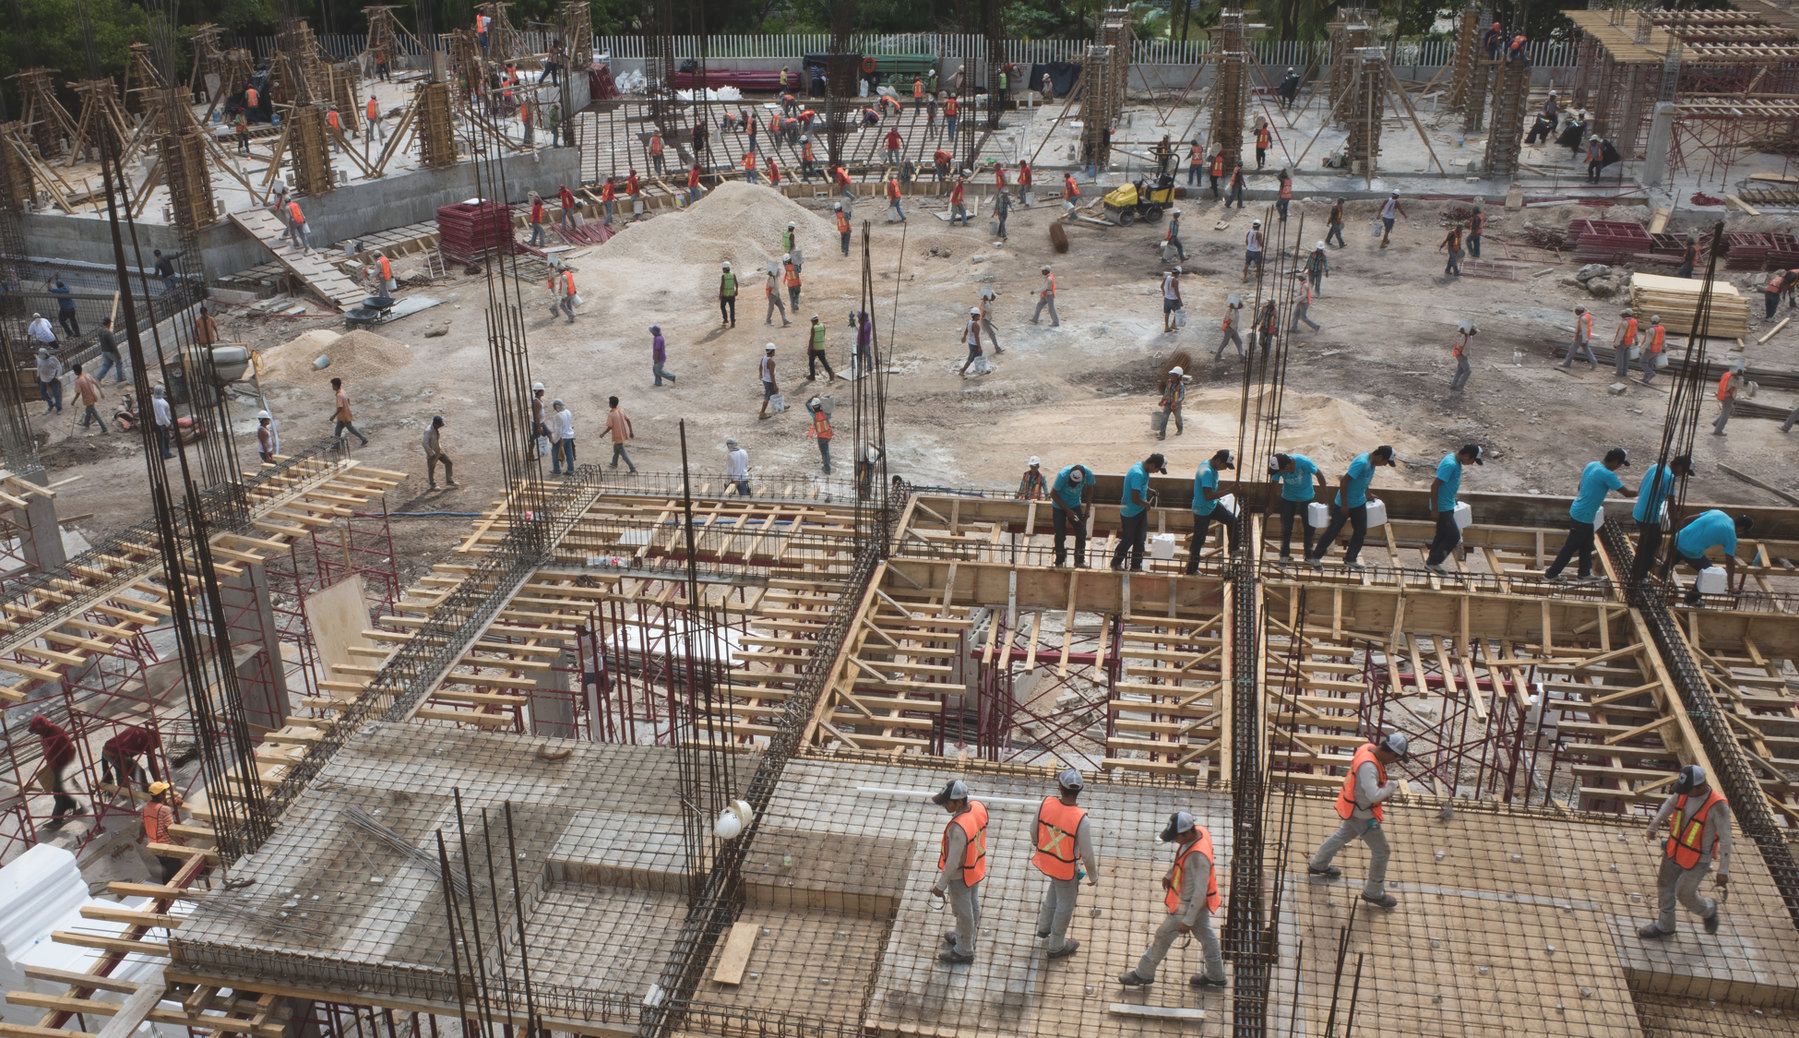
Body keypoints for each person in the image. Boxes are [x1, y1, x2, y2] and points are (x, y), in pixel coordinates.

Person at [1118, 810, 1226, 988]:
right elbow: (1182, 856)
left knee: (1163, 935)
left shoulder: (1199, 856)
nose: (1175, 841)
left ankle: (1143, 973)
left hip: (1189, 905)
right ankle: (1216, 975)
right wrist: (1170, 873)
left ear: (1187, 833)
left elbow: (1200, 891)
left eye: (1176, 837)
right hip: (1193, 903)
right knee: (1207, 937)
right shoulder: (1198, 832)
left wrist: (1188, 920)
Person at [1308, 731, 1408, 909]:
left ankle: (1318, 864)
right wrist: (1391, 787)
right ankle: (1373, 893)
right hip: (1363, 814)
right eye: (1396, 758)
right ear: (1391, 753)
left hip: (1353, 807)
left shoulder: (1367, 748)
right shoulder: (1368, 766)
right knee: (1382, 851)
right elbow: (1374, 795)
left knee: (1342, 835)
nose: (1394, 762)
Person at [1638, 765, 1731, 940]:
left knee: (1684, 894)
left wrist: (1723, 870)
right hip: (1674, 849)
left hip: (1699, 858)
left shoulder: (1717, 806)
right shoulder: (1685, 791)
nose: (1683, 793)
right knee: (1665, 887)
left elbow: (1726, 839)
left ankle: (1709, 909)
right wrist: (1654, 825)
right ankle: (1665, 927)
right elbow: (1669, 804)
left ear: (1700, 786)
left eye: (1688, 790)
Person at [1029, 768, 1099, 961]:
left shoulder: (1046, 803)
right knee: (1065, 905)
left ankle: (1044, 928)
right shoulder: (1081, 819)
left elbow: (1032, 830)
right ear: (1080, 789)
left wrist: (1039, 845)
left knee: (1053, 893)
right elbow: (1087, 853)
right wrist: (1093, 875)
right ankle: (1056, 945)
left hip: (1047, 861)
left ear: (1060, 787)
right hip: (1066, 869)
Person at [1543, 448, 1632, 582]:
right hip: (1583, 517)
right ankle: (1550, 575)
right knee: (1570, 547)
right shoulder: (1608, 475)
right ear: (1614, 461)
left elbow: (1580, 486)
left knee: (1587, 544)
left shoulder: (1592, 464)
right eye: (1619, 464)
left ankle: (1584, 574)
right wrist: (1645, 492)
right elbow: (1627, 493)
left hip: (1580, 511)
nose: (1619, 467)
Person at [1306, 445, 1398, 571]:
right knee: (1333, 531)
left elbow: (1363, 481)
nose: (1385, 465)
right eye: (1386, 462)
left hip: (1359, 502)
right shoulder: (1362, 463)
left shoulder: (1372, 464)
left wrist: (1368, 495)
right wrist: (1344, 504)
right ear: (1380, 457)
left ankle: (1351, 559)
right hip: (1343, 504)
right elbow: (1344, 481)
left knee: (1361, 531)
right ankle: (1315, 557)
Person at [929, 779, 987, 965]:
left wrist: (940, 886)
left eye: (948, 802)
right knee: (972, 904)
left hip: (961, 875)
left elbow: (952, 862)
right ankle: (964, 937)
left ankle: (964, 951)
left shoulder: (957, 828)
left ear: (959, 802)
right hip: (975, 867)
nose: (946, 805)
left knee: (964, 913)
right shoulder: (977, 808)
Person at [1424, 444, 1484, 571]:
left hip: (1448, 504)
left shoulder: (1456, 461)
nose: (1472, 463)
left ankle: (1431, 562)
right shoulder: (1450, 464)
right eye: (1472, 460)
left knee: (1441, 534)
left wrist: (1451, 497)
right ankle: (1433, 562)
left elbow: (1447, 484)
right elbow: (1434, 486)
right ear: (1467, 455)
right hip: (1442, 507)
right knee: (1453, 536)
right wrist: (1435, 509)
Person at [1672, 510, 1751, 605]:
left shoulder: (1718, 512)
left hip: (1676, 539)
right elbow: (1730, 563)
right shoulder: (1731, 535)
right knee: (1709, 572)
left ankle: (1662, 573)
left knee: (1671, 561)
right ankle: (1692, 599)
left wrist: (1682, 535)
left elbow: (1687, 519)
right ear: (1741, 528)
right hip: (1690, 551)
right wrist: (1731, 587)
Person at [1630, 454, 1689, 581]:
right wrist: (1674, 525)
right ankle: (1640, 577)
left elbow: (1640, 488)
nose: (1682, 475)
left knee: (1645, 543)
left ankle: (1636, 570)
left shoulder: (1656, 466)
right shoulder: (1669, 477)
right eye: (1683, 471)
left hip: (1638, 512)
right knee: (1654, 542)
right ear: (1678, 466)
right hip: (1648, 516)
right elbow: (1671, 504)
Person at [1111, 453, 1166, 572]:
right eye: (1157, 469)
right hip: (1130, 513)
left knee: (1140, 539)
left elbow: (1141, 486)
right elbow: (1135, 498)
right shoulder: (1138, 473)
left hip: (1139, 511)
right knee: (1128, 539)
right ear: (1152, 465)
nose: (1156, 472)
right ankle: (1115, 563)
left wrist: (1150, 490)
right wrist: (1146, 504)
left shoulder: (1143, 469)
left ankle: (1136, 566)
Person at [1268, 453, 1326, 563]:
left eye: (1280, 471)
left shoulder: (1304, 462)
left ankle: (1309, 555)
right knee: (1286, 527)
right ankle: (1284, 555)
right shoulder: (1279, 467)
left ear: (1287, 466)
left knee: (1309, 527)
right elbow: (1274, 487)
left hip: (1307, 497)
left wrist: (1324, 497)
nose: (1279, 473)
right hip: (1288, 498)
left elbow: (1319, 475)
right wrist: (1271, 507)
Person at [1186, 449, 1239, 571]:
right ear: (1218, 460)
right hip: (1202, 510)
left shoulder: (1211, 466)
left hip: (1212, 505)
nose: (1225, 468)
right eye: (1225, 465)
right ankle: (1191, 569)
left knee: (1232, 520)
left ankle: (1234, 549)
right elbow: (1208, 495)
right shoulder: (1207, 472)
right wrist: (1229, 490)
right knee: (1198, 541)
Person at [27, 716, 82, 822]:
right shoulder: (44, 734)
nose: (36, 734)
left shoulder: (56, 732)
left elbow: (71, 748)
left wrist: (68, 766)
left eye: (37, 731)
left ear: (42, 727)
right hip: (55, 766)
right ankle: (81, 805)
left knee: (58, 792)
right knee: (71, 785)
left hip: (63, 765)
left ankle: (57, 820)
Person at [1051, 463, 1092, 567]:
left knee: (1081, 532)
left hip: (1074, 506)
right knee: (1060, 534)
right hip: (1059, 507)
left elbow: (1091, 489)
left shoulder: (1089, 474)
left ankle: (1079, 561)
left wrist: (1087, 508)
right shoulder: (1062, 475)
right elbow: (1053, 494)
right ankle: (1059, 561)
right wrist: (1067, 510)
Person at [143, 781, 184, 881]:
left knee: (166, 868)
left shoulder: (146, 808)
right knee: (177, 871)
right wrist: (181, 844)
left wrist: (140, 838)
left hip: (154, 845)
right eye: (165, 793)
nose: (166, 794)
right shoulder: (164, 810)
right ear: (161, 795)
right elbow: (170, 830)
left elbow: (143, 824)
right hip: (166, 846)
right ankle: (172, 891)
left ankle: (166, 889)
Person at [100, 724, 160, 790]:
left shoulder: (139, 728)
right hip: (116, 754)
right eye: (155, 747)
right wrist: (159, 784)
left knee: (121, 769)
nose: (153, 749)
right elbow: (152, 765)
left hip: (106, 751)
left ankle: (123, 793)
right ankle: (146, 792)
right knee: (139, 772)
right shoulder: (150, 739)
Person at [330, 377, 369, 447]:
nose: (332, 387)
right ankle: (336, 445)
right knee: (339, 431)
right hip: (346, 414)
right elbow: (348, 399)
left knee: (347, 430)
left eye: (332, 385)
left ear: (335, 385)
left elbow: (340, 407)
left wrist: (333, 416)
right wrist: (347, 407)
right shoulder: (342, 391)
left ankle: (363, 439)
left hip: (343, 417)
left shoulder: (339, 395)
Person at [422, 415, 456, 489]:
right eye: (439, 425)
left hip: (438, 451)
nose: (440, 426)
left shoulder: (435, 428)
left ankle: (449, 481)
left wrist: (439, 448)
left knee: (449, 462)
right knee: (431, 469)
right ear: (435, 424)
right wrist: (431, 454)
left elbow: (435, 440)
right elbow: (424, 443)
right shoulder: (428, 431)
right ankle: (432, 485)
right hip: (432, 454)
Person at [1156, 364, 1187, 439]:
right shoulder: (1169, 382)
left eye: (1173, 375)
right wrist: (1162, 400)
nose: (1171, 377)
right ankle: (1162, 434)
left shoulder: (1181, 385)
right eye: (1171, 375)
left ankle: (1180, 429)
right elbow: (1166, 392)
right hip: (1168, 403)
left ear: (1178, 377)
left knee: (1178, 418)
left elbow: (1182, 396)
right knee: (1164, 418)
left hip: (1176, 405)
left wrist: (1176, 402)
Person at [73, 363, 105, 435]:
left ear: (75, 372)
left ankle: (104, 429)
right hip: (93, 396)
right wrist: (101, 392)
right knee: (88, 411)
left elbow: (78, 393)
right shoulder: (88, 375)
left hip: (88, 399)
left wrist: (73, 401)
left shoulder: (78, 381)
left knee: (95, 414)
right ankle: (86, 424)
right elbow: (96, 383)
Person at [1713, 362, 1743, 435]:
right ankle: (1718, 431)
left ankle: (1716, 423)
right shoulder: (1733, 378)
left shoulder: (1726, 374)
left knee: (1725, 411)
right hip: (1727, 397)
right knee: (1725, 415)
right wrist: (1740, 378)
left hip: (1722, 394)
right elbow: (1740, 386)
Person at [805, 315, 837, 382]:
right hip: (821, 346)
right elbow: (823, 335)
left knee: (811, 362)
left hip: (814, 347)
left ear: (813, 321)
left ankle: (812, 376)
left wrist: (809, 348)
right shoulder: (823, 326)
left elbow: (811, 339)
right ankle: (831, 372)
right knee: (824, 361)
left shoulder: (813, 328)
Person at [549, 398, 576, 475]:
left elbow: (558, 431)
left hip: (562, 438)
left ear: (557, 407)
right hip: (569, 436)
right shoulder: (568, 412)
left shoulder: (558, 416)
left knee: (555, 453)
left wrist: (554, 440)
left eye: (554, 406)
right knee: (569, 453)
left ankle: (556, 470)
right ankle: (570, 470)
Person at [806, 400, 833, 474]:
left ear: (813, 408)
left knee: (824, 453)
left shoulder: (815, 416)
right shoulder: (826, 413)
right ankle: (827, 462)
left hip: (821, 437)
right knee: (826, 450)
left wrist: (810, 434)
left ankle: (827, 469)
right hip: (828, 435)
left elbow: (807, 405)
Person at [1612, 308, 1641, 380]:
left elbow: (1620, 335)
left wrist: (1616, 343)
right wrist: (1636, 340)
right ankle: (1625, 372)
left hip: (1622, 342)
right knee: (1626, 358)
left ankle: (1619, 373)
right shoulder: (1634, 321)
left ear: (1626, 314)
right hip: (1629, 342)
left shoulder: (1624, 322)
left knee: (1620, 358)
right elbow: (1635, 332)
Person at [94, 318, 124, 383]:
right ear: (108, 323)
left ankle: (98, 378)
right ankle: (120, 378)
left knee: (107, 365)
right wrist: (118, 354)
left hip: (104, 351)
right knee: (119, 363)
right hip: (110, 351)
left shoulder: (99, 331)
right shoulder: (108, 333)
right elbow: (113, 345)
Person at [1216, 295, 1245, 361]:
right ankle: (1218, 355)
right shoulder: (1231, 311)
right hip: (1229, 329)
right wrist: (1228, 326)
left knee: (1239, 342)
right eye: (1239, 305)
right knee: (1225, 342)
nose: (1240, 306)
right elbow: (1230, 319)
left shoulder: (1235, 310)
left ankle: (1241, 356)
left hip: (1233, 329)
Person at [958, 307, 985, 378]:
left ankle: (980, 368)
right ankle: (962, 371)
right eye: (979, 315)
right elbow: (977, 337)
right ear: (976, 316)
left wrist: (964, 337)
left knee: (979, 356)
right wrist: (979, 347)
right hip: (974, 344)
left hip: (970, 343)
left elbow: (966, 331)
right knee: (971, 358)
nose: (980, 316)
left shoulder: (969, 322)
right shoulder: (975, 325)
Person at [35, 348, 63, 414]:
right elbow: (39, 367)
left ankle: (59, 408)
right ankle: (51, 404)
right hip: (43, 378)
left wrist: (57, 377)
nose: (41, 356)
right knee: (43, 393)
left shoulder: (52, 359)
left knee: (56, 393)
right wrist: (38, 376)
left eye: (42, 354)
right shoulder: (39, 359)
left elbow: (59, 367)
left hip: (52, 378)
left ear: (46, 353)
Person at [1450, 322, 1474, 393]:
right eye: (1474, 331)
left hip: (1462, 355)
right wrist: (1463, 333)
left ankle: (1453, 385)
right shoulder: (1464, 337)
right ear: (1469, 331)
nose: (1475, 332)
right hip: (1461, 355)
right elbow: (1459, 345)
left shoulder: (1469, 336)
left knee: (1460, 370)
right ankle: (1459, 386)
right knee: (1468, 370)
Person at [150, 385, 174, 459]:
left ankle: (163, 453)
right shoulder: (159, 402)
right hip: (163, 423)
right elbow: (162, 415)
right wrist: (168, 424)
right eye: (162, 390)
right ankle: (166, 454)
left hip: (160, 422)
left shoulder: (157, 399)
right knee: (166, 439)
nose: (163, 392)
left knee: (163, 438)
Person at [758, 343, 780, 420]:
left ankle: (780, 406)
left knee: (776, 393)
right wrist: (775, 385)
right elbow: (772, 375)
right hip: (769, 381)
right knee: (767, 397)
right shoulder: (771, 362)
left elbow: (760, 366)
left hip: (765, 380)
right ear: (773, 351)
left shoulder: (763, 358)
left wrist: (760, 374)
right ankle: (762, 413)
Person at [1161, 267, 1183, 334]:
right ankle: (1173, 324)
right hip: (1174, 300)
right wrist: (1180, 301)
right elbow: (1177, 292)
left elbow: (1161, 286)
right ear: (1178, 273)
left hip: (1167, 299)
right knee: (1178, 312)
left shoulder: (1167, 277)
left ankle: (1166, 327)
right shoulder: (1175, 280)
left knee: (1167, 313)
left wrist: (1164, 293)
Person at [718, 262, 738, 327]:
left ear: (725, 269)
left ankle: (725, 319)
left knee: (722, 306)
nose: (722, 270)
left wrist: (720, 294)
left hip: (725, 295)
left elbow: (722, 286)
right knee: (732, 308)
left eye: (723, 268)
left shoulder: (723, 276)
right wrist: (736, 291)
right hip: (732, 294)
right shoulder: (733, 274)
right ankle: (733, 323)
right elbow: (736, 283)